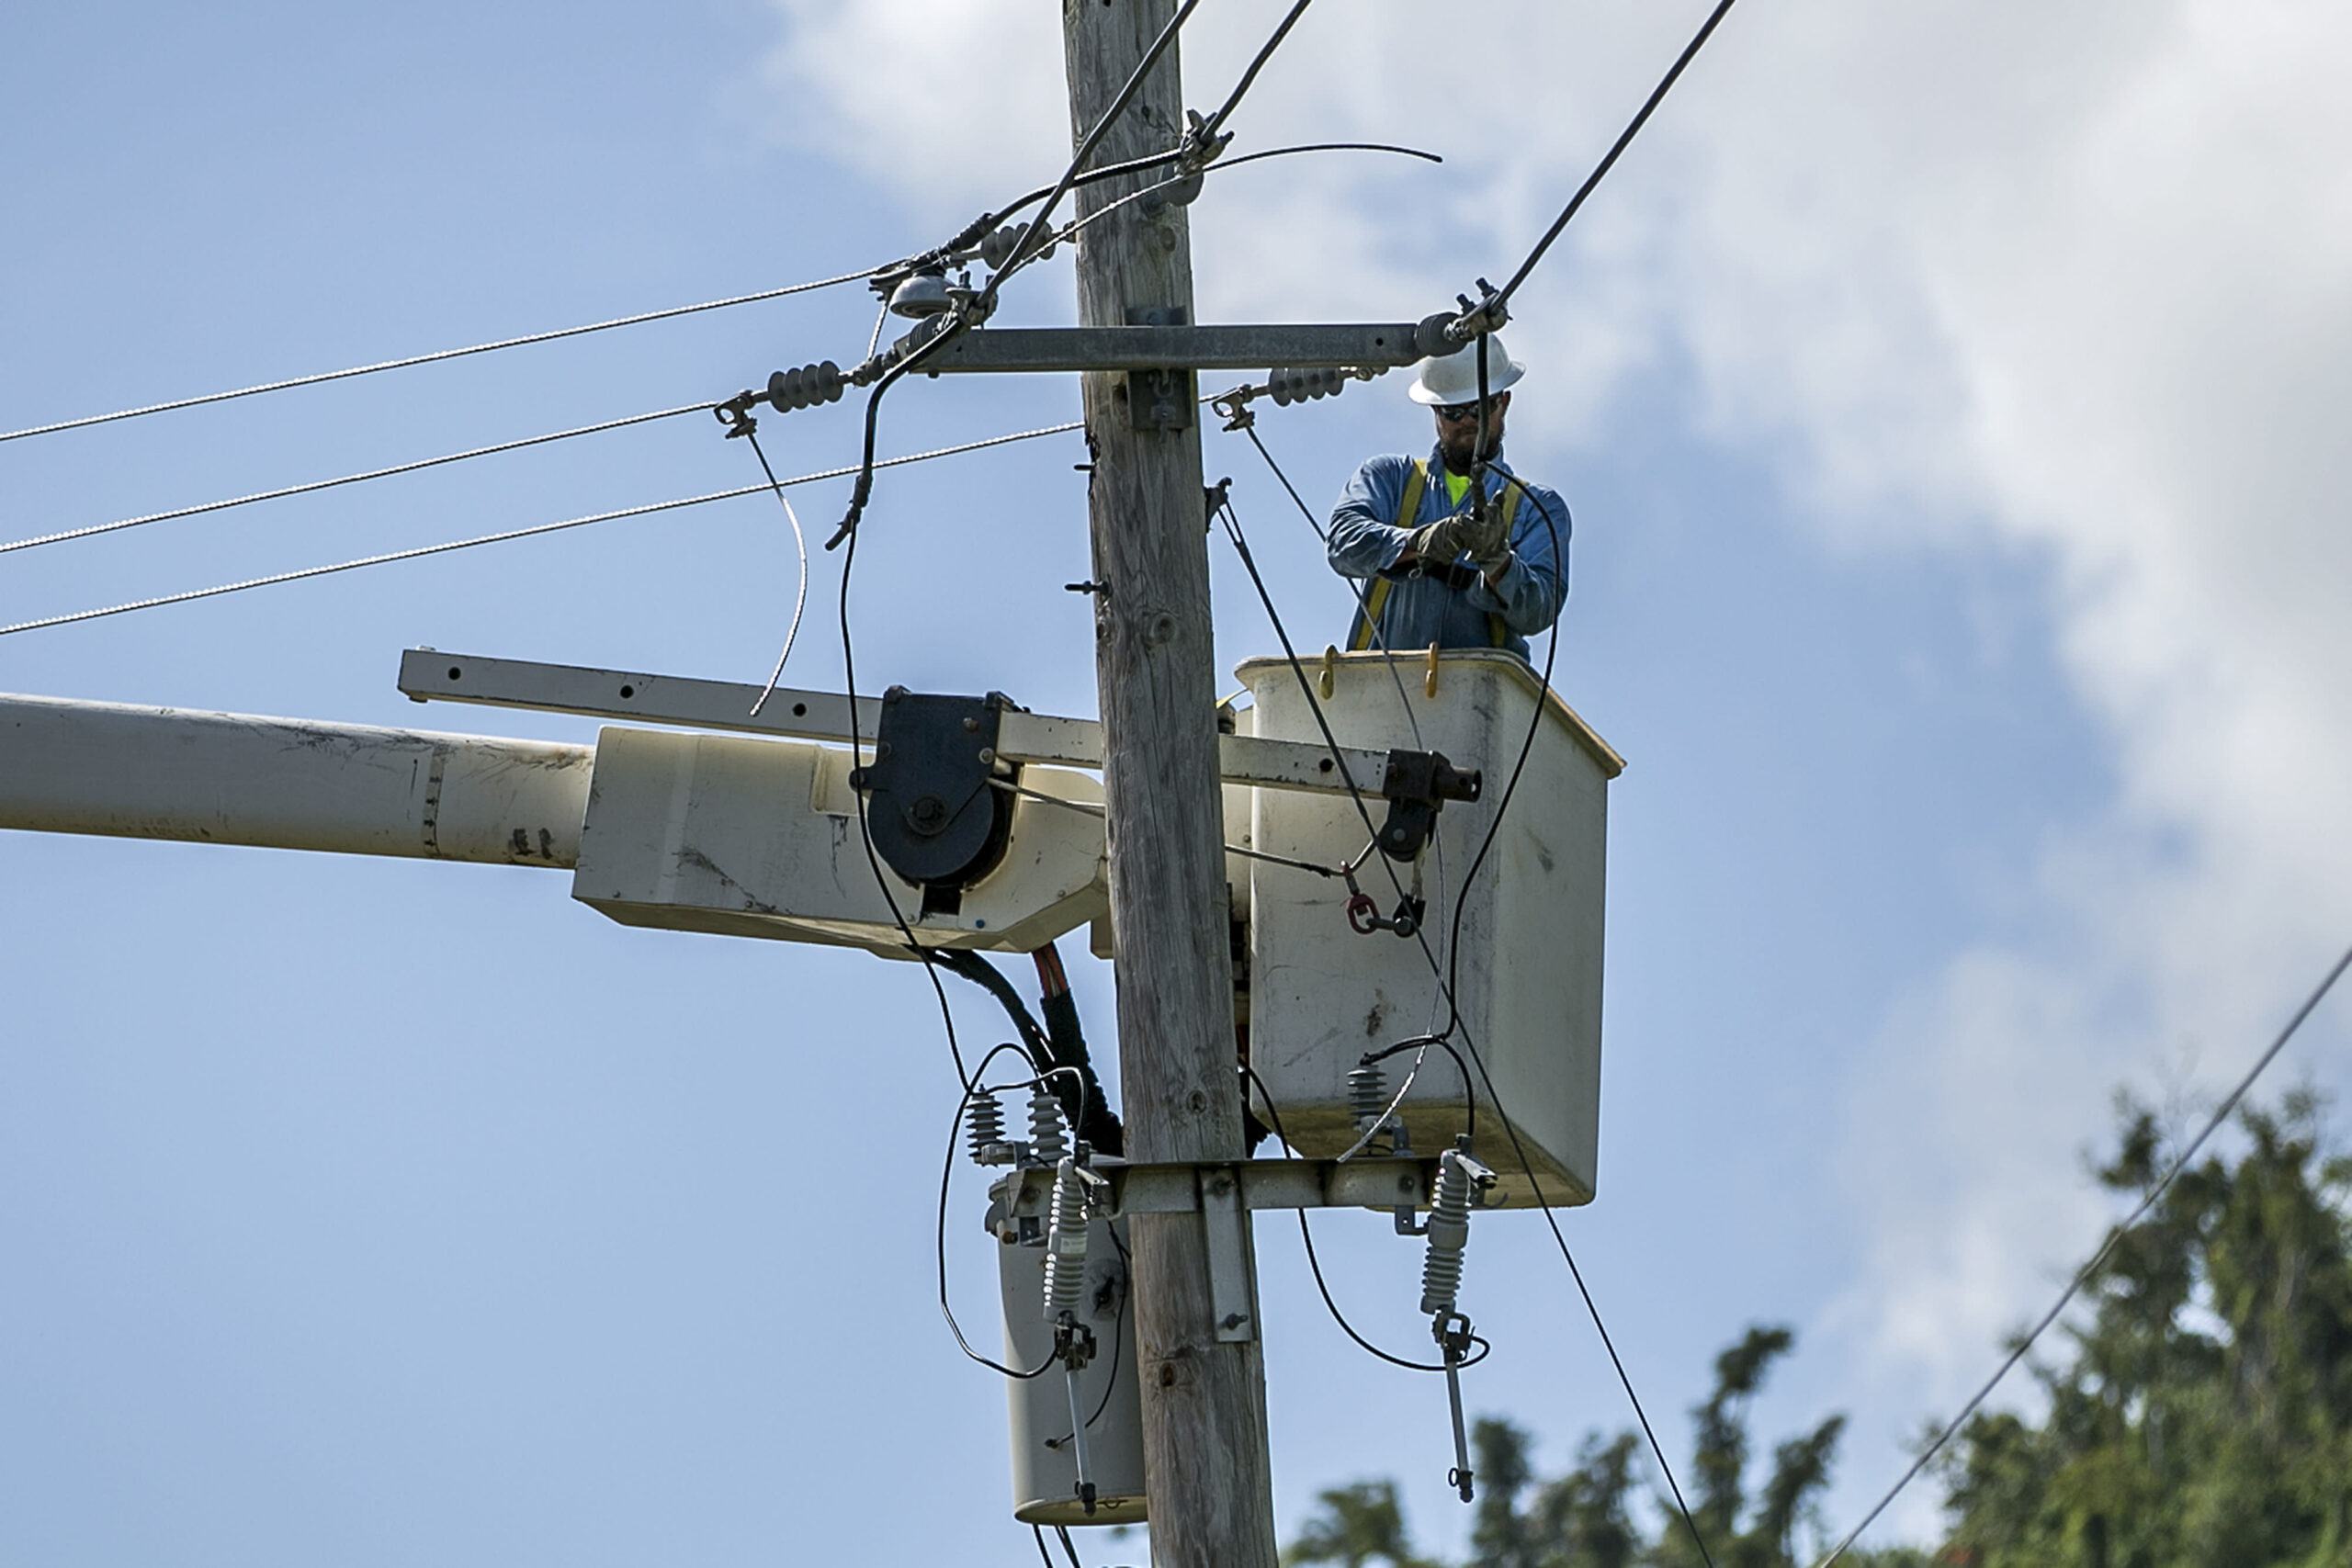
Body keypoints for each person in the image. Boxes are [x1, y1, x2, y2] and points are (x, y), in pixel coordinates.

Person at [1325, 334, 1568, 660]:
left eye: (1479, 407)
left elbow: (1537, 612)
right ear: (1435, 411)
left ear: (1504, 401)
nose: (1468, 421)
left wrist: (1499, 563)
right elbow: (1343, 544)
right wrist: (1417, 541)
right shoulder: (1390, 478)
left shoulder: (1536, 507)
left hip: (1480, 697)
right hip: (1382, 691)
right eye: (1454, 412)